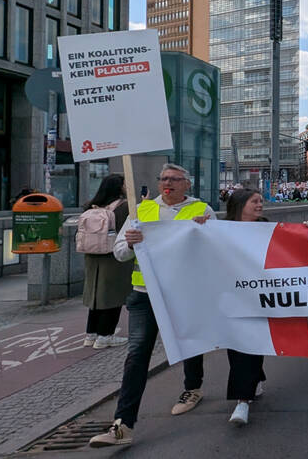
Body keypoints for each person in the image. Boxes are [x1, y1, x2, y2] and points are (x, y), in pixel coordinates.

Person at [89, 164, 215, 448]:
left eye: (174, 179)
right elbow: (119, 252)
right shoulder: (141, 211)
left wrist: (205, 234)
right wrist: (131, 244)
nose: (167, 183)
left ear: (187, 184)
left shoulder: (202, 211)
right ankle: (123, 424)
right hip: (144, 294)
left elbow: (214, 248)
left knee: (189, 343)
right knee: (137, 356)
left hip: (183, 292)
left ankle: (192, 388)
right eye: (163, 179)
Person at [222, 189, 279, 426]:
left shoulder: (268, 228)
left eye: (260, 201)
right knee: (237, 348)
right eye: (254, 201)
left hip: (259, 298)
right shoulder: (220, 230)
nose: (260, 205)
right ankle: (251, 385)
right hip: (231, 298)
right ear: (240, 205)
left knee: (252, 344)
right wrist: (198, 226)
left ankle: (243, 401)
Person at [80, 175, 132, 350]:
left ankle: (91, 334)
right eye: (124, 184)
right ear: (119, 187)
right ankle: (105, 336)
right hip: (112, 256)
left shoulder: (91, 205)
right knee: (112, 296)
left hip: (92, 255)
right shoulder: (124, 207)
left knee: (95, 295)